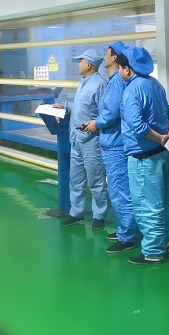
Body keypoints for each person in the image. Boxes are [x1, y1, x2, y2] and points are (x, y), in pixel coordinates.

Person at [118, 46, 169, 264]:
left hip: (145, 157)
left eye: (121, 68)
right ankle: (163, 241)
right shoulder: (156, 84)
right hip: (163, 154)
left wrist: (159, 138)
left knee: (146, 205)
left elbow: (138, 127)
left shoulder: (132, 91)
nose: (119, 72)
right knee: (162, 202)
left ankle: (152, 251)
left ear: (128, 69)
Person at [83, 41, 138, 254]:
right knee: (121, 191)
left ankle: (127, 237)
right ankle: (125, 229)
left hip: (116, 144)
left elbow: (110, 113)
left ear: (115, 57)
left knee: (120, 192)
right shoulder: (118, 81)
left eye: (107, 53)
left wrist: (95, 124)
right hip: (114, 142)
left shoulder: (116, 83)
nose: (104, 56)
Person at [57, 49, 108, 229]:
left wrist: (98, 129)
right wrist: (65, 106)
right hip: (76, 140)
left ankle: (99, 216)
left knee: (96, 180)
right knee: (76, 179)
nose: (78, 64)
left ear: (89, 64)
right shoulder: (84, 82)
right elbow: (81, 107)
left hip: (92, 141)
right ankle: (76, 213)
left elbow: (104, 114)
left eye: (81, 61)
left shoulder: (100, 85)